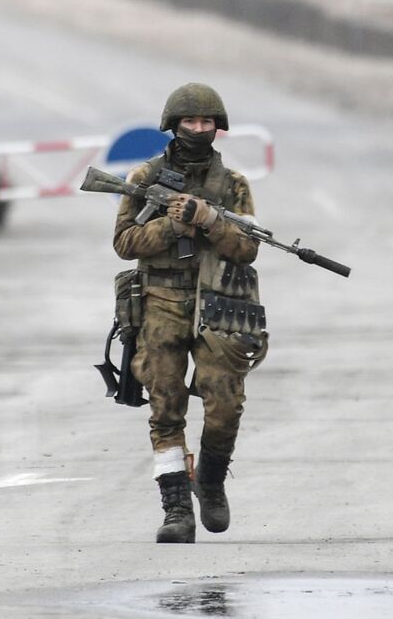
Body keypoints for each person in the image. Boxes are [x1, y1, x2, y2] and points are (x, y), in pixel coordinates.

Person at [112, 82, 265, 544]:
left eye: (206, 123)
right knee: (165, 406)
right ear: (172, 125)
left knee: (224, 404)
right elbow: (124, 243)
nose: (198, 129)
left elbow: (248, 248)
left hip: (220, 302)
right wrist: (172, 224)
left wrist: (210, 220)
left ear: (217, 127)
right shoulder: (143, 179)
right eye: (189, 122)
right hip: (159, 300)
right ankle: (176, 506)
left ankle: (212, 480)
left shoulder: (234, 185)